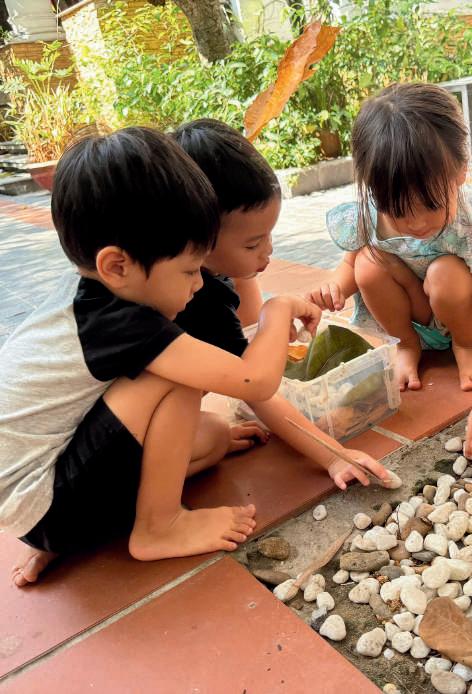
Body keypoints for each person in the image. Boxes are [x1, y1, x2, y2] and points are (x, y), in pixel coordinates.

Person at [0, 126, 321, 587]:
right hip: (52, 505)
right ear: (117, 265)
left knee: (213, 437)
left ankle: (74, 535)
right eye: (189, 270)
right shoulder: (122, 322)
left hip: (42, 502)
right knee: (177, 374)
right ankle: (159, 526)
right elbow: (255, 381)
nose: (198, 283)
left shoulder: (93, 296)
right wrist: (279, 310)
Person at [173, 118, 389, 493]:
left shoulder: (216, 276)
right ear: (198, 238)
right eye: (253, 244)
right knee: (212, 436)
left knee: (211, 431)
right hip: (119, 442)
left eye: (269, 236)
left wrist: (270, 331)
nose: (268, 251)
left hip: (138, 423)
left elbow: (251, 337)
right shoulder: (195, 299)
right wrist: (334, 455)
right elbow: (255, 386)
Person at [307, 82, 472, 393]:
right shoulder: (370, 218)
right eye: (397, 210)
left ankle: (466, 347)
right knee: (366, 262)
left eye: (432, 205)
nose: (417, 222)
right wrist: (334, 288)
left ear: (461, 171)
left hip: (463, 317)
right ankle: (406, 345)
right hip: (414, 320)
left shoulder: (468, 216)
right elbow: (349, 265)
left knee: (445, 272)